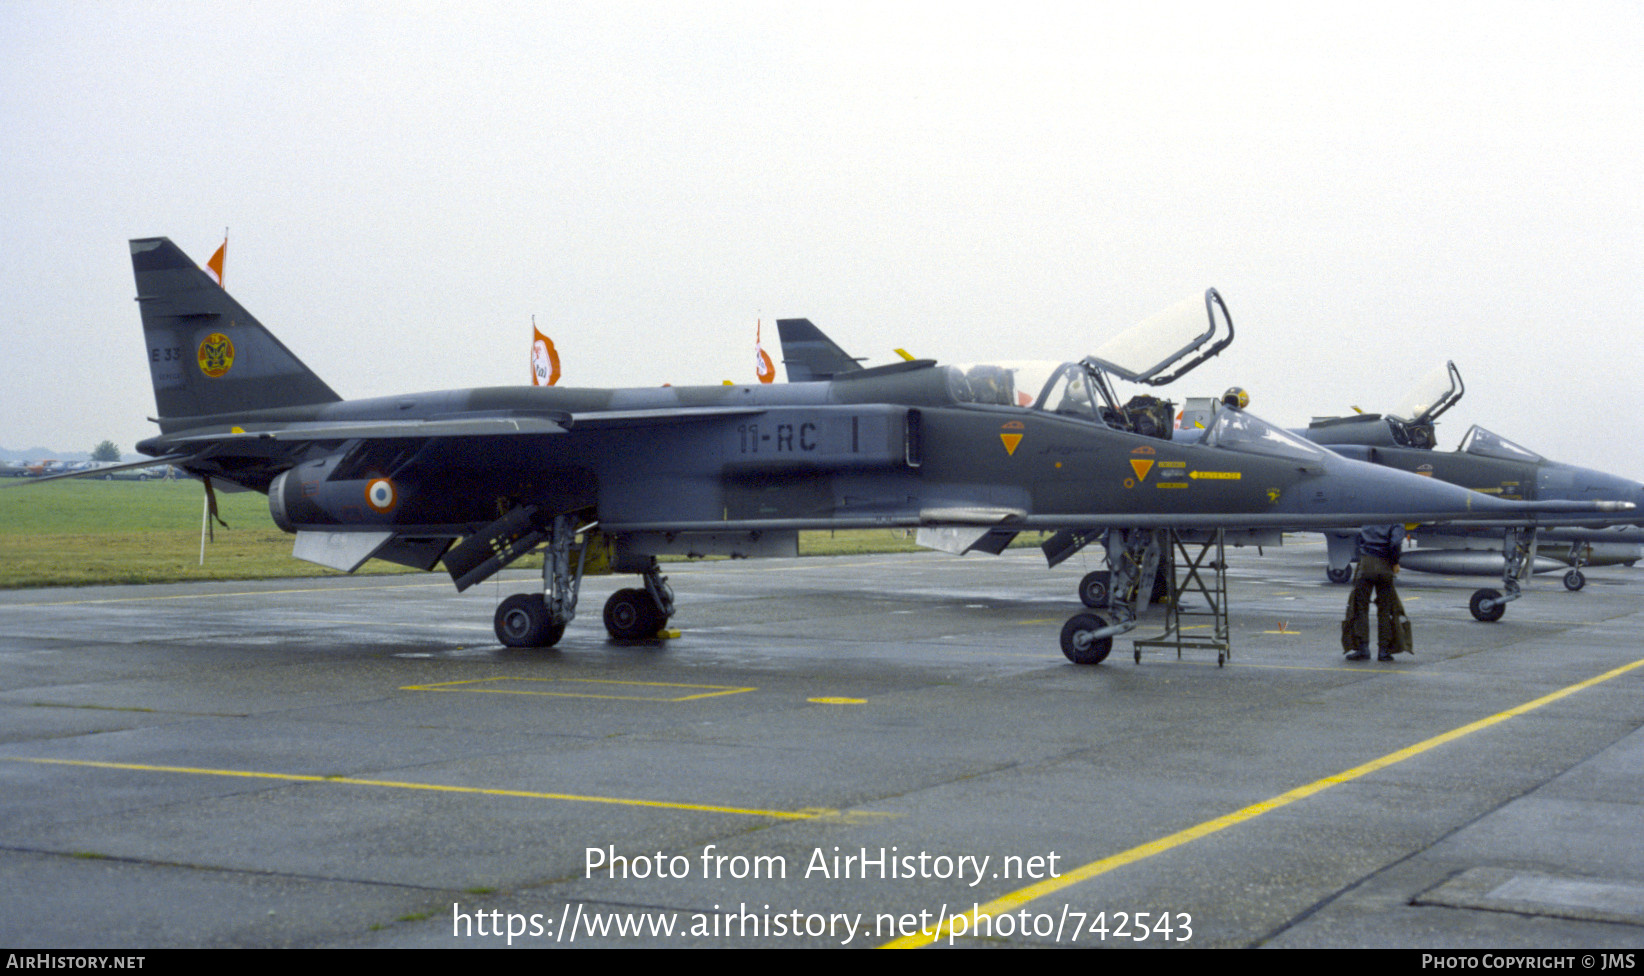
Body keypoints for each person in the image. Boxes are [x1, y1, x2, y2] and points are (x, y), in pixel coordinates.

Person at [1342, 523, 1410, 661]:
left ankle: (1363, 648)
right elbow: (1395, 543)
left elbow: (1359, 537)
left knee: (1360, 608)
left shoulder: (1371, 515)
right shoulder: (1396, 520)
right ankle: (1383, 651)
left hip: (1366, 565)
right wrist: (1395, 562)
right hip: (1385, 567)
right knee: (1385, 609)